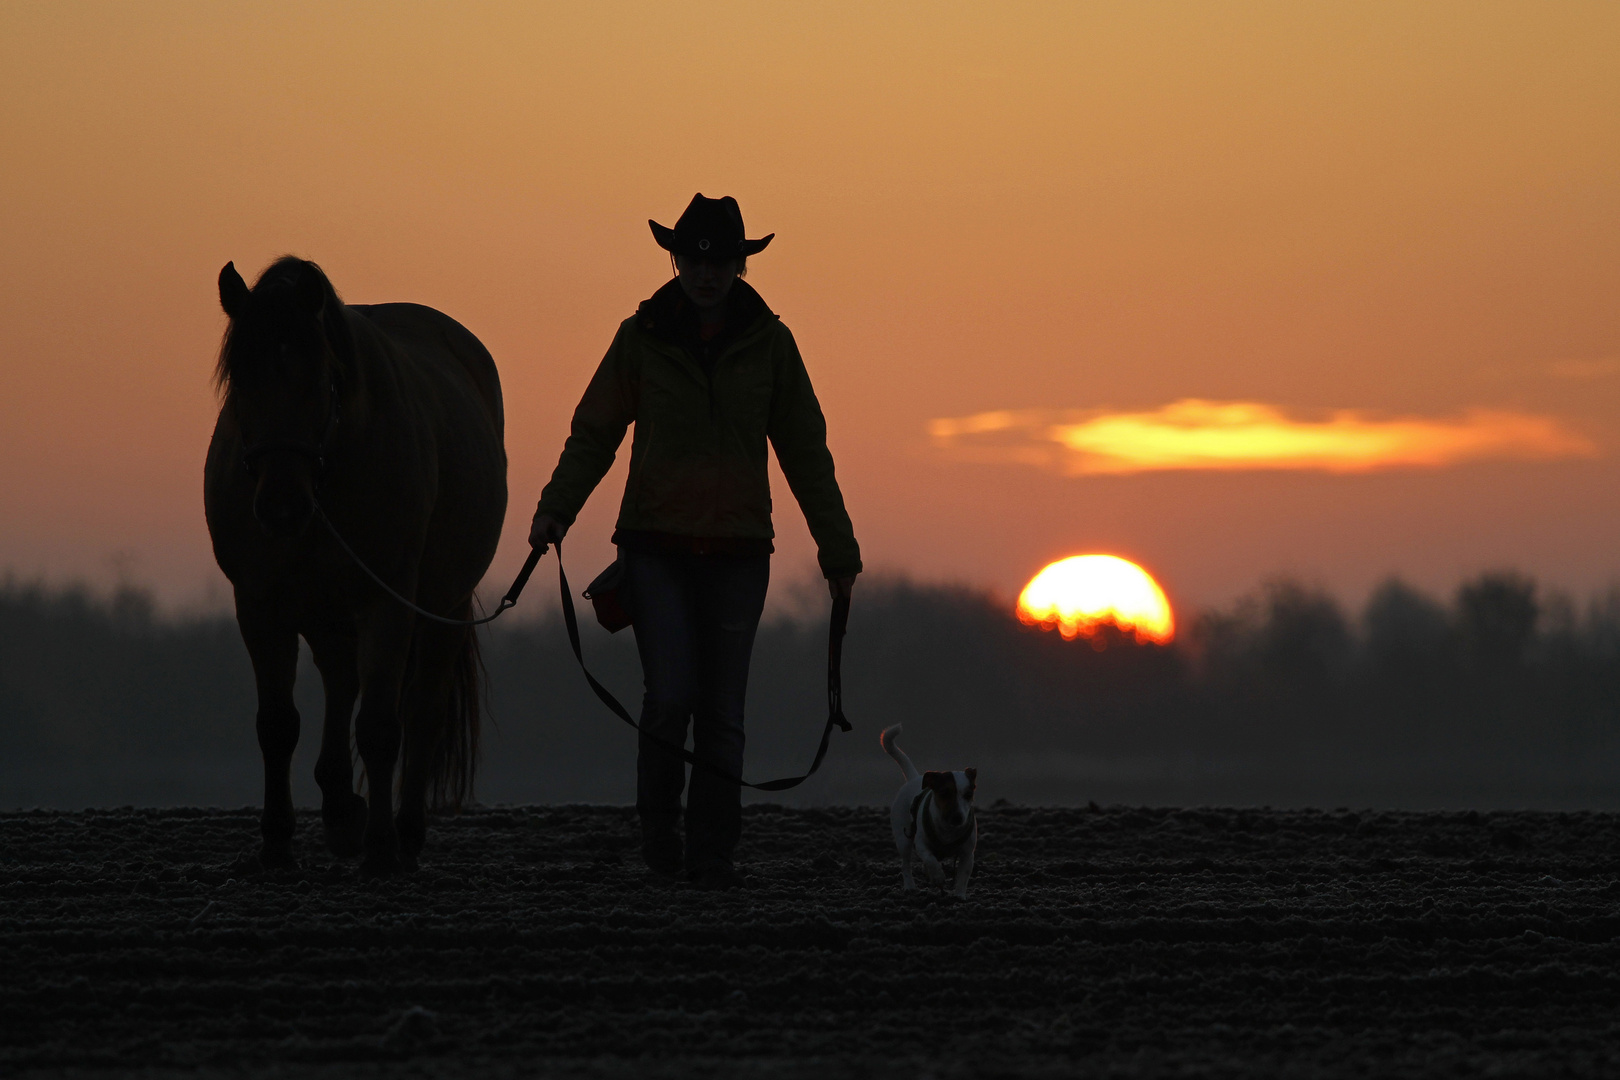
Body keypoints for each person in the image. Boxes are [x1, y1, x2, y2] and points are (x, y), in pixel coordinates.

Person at [530, 194, 861, 888]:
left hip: (739, 554)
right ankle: (661, 847)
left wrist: (838, 551)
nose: (707, 273)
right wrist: (555, 510)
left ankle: (712, 859)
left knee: (723, 714)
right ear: (676, 259)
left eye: (720, 261)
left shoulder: (772, 343)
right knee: (671, 697)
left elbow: (806, 451)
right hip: (655, 550)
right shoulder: (639, 336)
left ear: (739, 265)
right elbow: (594, 431)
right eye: (694, 259)